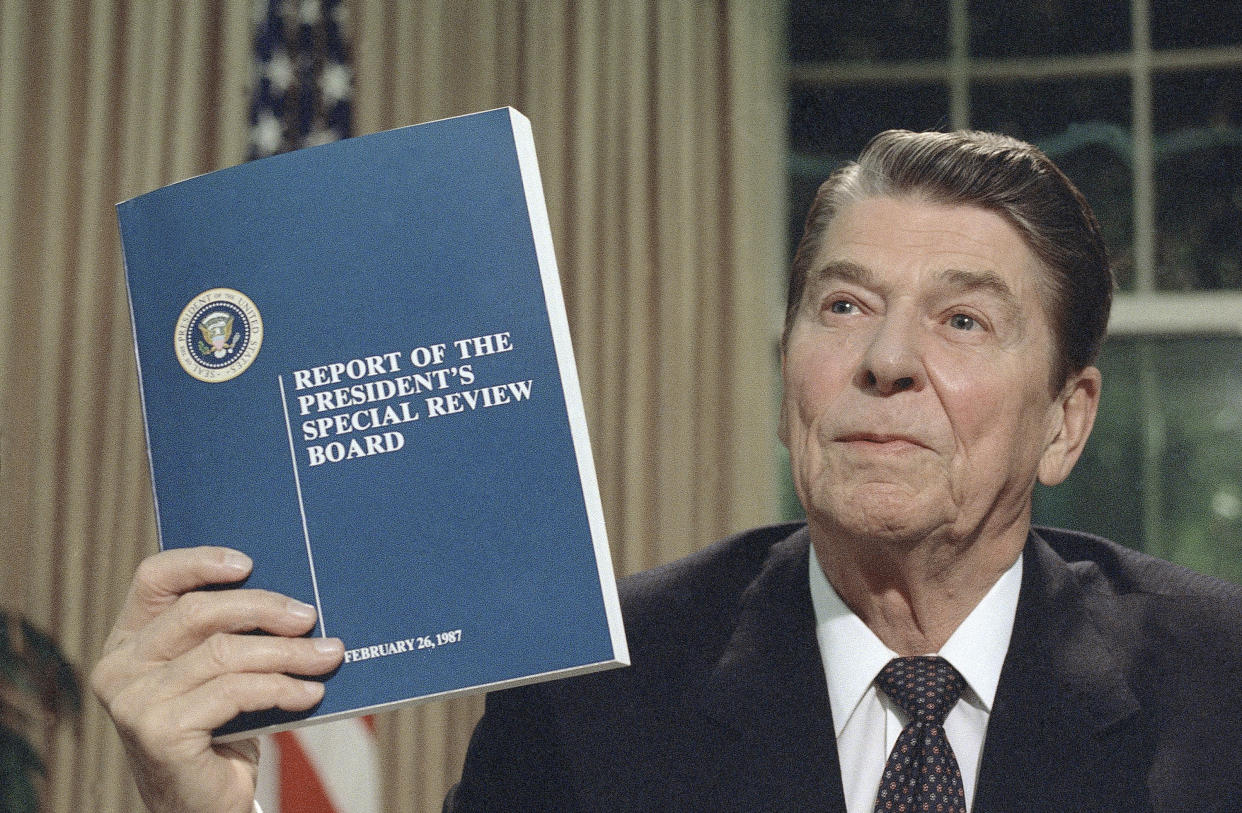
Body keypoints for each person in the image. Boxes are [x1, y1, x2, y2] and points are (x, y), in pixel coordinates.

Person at [93, 130, 1242, 812]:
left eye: (962, 322)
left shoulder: (1220, 685)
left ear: (1066, 420)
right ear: (788, 358)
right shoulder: (592, 692)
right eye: (844, 305)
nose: (886, 361)